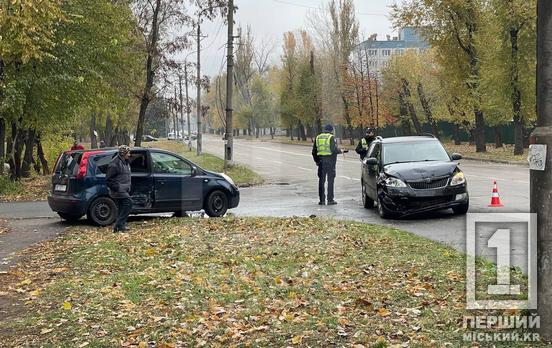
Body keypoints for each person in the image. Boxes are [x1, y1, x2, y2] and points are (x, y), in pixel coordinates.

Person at [312, 124, 342, 205]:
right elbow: (333, 150)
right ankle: (330, 200)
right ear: (331, 130)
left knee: (321, 181)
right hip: (330, 163)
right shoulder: (331, 137)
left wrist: (317, 161)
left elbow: (314, 151)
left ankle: (321, 200)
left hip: (321, 163)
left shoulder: (318, 137)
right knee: (330, 181)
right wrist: (340, 151)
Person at [106, 145, 132, 232]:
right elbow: (109, 179)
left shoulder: (125, 161)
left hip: (124, 189)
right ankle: (119, 225)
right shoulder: (115, 163)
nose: (129, 154)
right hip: (118, 190)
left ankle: (119, 227)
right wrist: (117, 188)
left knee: (121, 207)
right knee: (128, 203)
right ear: (123, 153)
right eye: (128, 153)